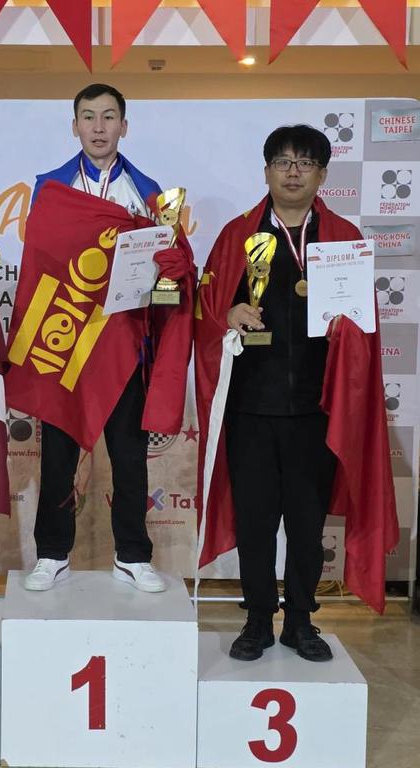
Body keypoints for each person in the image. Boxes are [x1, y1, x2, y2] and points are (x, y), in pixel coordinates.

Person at [195, 125, 390, 662]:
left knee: (307, 524)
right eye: (283, 161)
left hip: (317, 407)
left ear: (322, 175)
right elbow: (205, 310)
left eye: (305, 163)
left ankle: (301, 620)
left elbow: (367, 328)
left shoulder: (344, 237)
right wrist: (228, 313)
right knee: (256, 520)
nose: (293, 172)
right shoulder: (237, 235)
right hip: (251, 406)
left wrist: (349, 327)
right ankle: (258, 619)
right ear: (266, 171)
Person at [21, 84, 191, 593]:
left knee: (129, 456)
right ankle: (52, 553)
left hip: (125, 344)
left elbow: (172, 258)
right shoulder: (51, 188)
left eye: (109, 116)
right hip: (66, 339)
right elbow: (39, 264)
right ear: (74, 126)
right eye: (89, 117)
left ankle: (133, 555)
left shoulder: (149, 192)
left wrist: (174, 263)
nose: (99, 127)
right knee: (57, 457)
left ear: (124, 126)